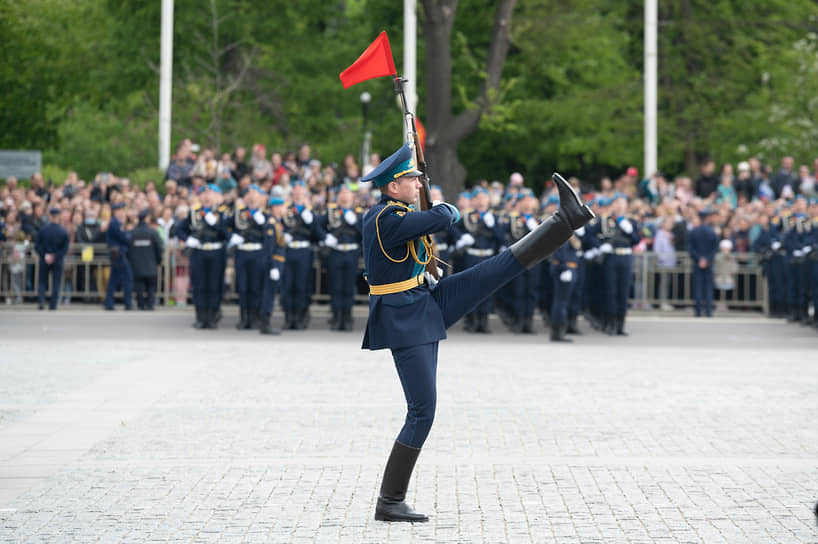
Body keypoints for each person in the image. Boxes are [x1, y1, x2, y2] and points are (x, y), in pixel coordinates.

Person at [361, 142, 593, 522]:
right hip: (404, 319)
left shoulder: (399, 213)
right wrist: (437, 203)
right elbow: (445, 216)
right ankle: (389, 501)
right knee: (422, 411)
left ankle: (566, 219)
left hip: (424, 301)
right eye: (411, 179)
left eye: (419, 179)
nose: (418, 184)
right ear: (392, 187)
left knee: (499, 269)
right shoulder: (383, 219)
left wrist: (428, 208)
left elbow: (430, 225)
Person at [176, 184, 229, 328]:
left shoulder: (222, 213)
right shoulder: (193, 212)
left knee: (213, 285)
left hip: (216, 252)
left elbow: (227, 234)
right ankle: (200, 317)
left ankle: (212, 318)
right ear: (199, 197)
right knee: (199, 286)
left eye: (209, 193)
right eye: (203, 193)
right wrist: (188, 239)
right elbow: (179, 229)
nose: (207, 196)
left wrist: (216, 224)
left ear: (214, 196)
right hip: (199, 252)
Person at [318, 185, 362, 331]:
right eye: (341, 192)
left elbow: (364, 232)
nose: (344, 195)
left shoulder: (357, 213)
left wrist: (355, 222)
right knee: (335, 286)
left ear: (352, 196)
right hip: (335, 252)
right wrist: (325, 237)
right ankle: (337, 317)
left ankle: (347, 317)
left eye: (346, 192)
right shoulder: (332, 212)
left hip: (351, 252)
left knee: (348, 287)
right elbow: (317, 226)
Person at [227, 185, 269, 329]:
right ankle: (244, 317)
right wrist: (232, 237)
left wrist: (263, 222)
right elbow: (223, 227)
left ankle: (255, 317)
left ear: (261, 197)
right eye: (249, 194)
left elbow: (271, 233)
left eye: (255, 194)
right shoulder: (238, 214)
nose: (252, 197)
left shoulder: (265, 215)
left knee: (256, 287)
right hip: (242, 253)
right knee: (243, 287)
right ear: (244, 198)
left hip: (258, 253)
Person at [258, 187, 288, 335]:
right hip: (274, 263)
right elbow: (269, 249)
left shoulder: (277, 223)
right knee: (269, 294)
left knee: (272, 293)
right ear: (275, 208)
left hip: (278, 262)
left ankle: (266, 322)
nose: (284, 209)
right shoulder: (271, 224)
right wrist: (272, 267)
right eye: (282, 206)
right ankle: (265, 324)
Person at [34, 208, 70, 310]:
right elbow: (65, 248)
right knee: (56, 282)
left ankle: (41, 301)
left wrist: (45, 255)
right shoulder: (63, 231)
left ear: (50, 216)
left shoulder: (43, 229)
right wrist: (56, 256)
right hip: (57, 260)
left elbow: (37, 245)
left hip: (44, 259)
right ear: (58, 217)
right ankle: (53, 305)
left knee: (42, 281)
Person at [129, 209, 164, 310]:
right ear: (146, 219)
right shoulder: (152, 232)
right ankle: (150, 305)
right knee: (151, 287)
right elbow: (159, 248)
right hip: (151, 264)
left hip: (137, 265)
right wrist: (158, 261)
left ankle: (140, 305)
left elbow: (129, 249)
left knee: (139, 286)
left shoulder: (133, 232)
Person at [103, 202, 134, 310]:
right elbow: (124, 238)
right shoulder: (115, 223)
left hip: (116, 254)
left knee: (114, 279)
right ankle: (128, 303)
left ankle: (109, 303)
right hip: (118, 254)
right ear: (115, 211)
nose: (122, 213)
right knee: (127, 278)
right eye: (119, 210)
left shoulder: (115, 223)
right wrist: (130, 234)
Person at [688, 211, 719, 317]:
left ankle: (698, 311)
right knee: (708, 287)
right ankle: (708, 311)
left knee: (698, 287)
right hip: (709, 263)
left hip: (697, 263)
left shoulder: (694, 231)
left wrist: (699, 259)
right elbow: (715, 248)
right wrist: (707, 259)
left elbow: (690, 248)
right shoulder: (712, 232)